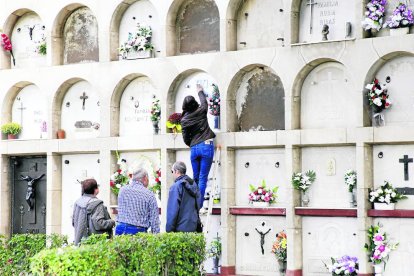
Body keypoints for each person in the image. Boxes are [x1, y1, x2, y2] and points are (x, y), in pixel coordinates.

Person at [181, 84, 216, 208]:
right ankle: (199, 206)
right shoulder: (202, 110)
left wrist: (191, 144)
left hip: (194, 149)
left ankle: (193, 203)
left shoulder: (184, 120)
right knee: (202, 178)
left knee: (195, 178)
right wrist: (200, 91)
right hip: (206, 146)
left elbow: (185, 138)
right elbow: (204, 102)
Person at [115, 168, 160, 235]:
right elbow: (154, 219)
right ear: (145, 178)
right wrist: (156, 236)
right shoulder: (149, 194)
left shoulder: (122, 190)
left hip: (120, 228)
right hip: (137, 231)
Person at [72, 178, 115, 245]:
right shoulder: (97, 204)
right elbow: (99, 224)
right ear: (95, 190)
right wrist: (112, 222)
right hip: (95, 244)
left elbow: (74, 222)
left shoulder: (77, 203)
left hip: (81, 241)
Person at [166, 161, 200, 232]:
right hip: (194, 228)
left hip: (180, 231)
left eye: (172, 171)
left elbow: (172, 211)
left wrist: (169, 231)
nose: (172, 174)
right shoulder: (194, 185)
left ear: (177, 171)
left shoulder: (176, 187)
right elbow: (198, 205)